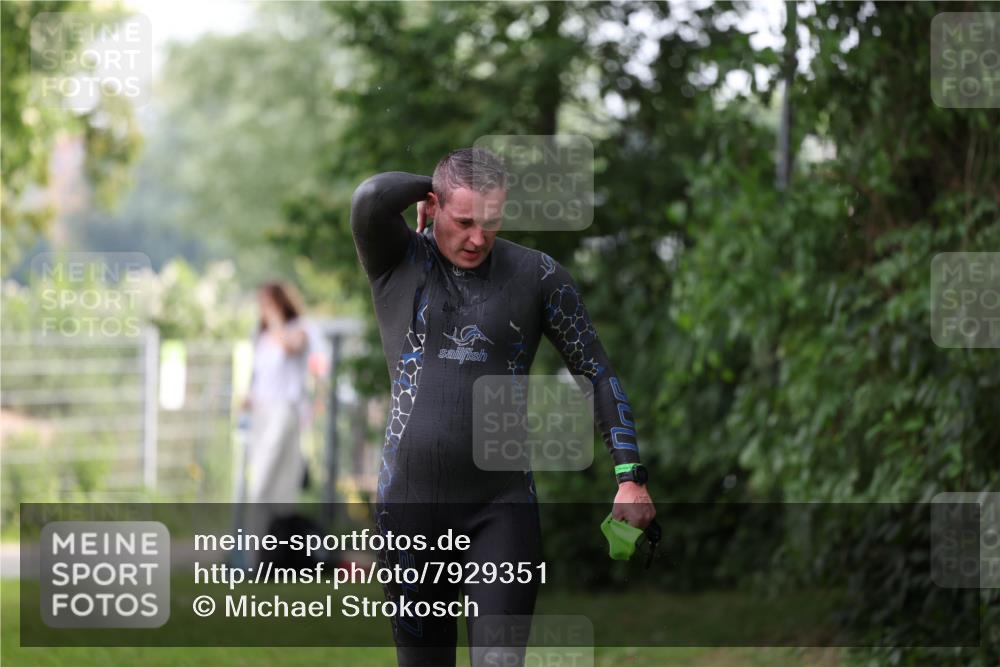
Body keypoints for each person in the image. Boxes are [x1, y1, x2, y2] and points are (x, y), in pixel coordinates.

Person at [350, 148, 656, 667]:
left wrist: (629, 474)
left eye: (490, 222)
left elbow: (596, 372)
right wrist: (434, 182)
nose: (477, 238)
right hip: (410, 511)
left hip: (501, 511)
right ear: (434, 206)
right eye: (464, 220)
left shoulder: (536, 276)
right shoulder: (398, 262)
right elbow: (370, 198)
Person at [243, 281, 310, 561]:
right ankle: (254, 555)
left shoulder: (298, 330)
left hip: (285, 411)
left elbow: (288, 349)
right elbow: (259, 378)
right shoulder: (261, 338)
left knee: (276, 484)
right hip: (262, 413)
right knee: (260, 484)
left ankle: (274, 555)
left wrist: (276, 322)